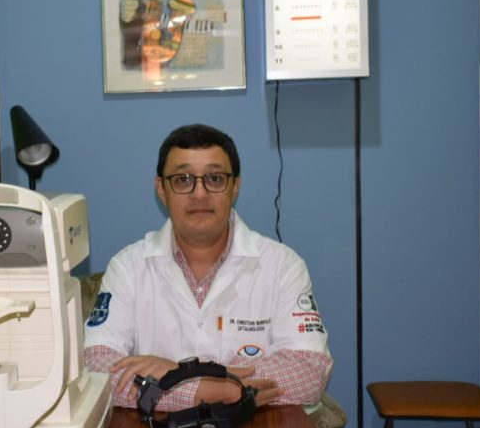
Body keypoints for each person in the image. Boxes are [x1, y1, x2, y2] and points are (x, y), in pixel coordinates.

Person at [83, 123, 333, 410]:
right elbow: (96, 368)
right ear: (161, 189)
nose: (199, 194)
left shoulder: (282, 265)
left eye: (214, 179)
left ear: (235, 186)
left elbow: (309, 372)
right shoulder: (127, 266)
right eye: (183, 179)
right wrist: (216, 390)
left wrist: (177, 377)